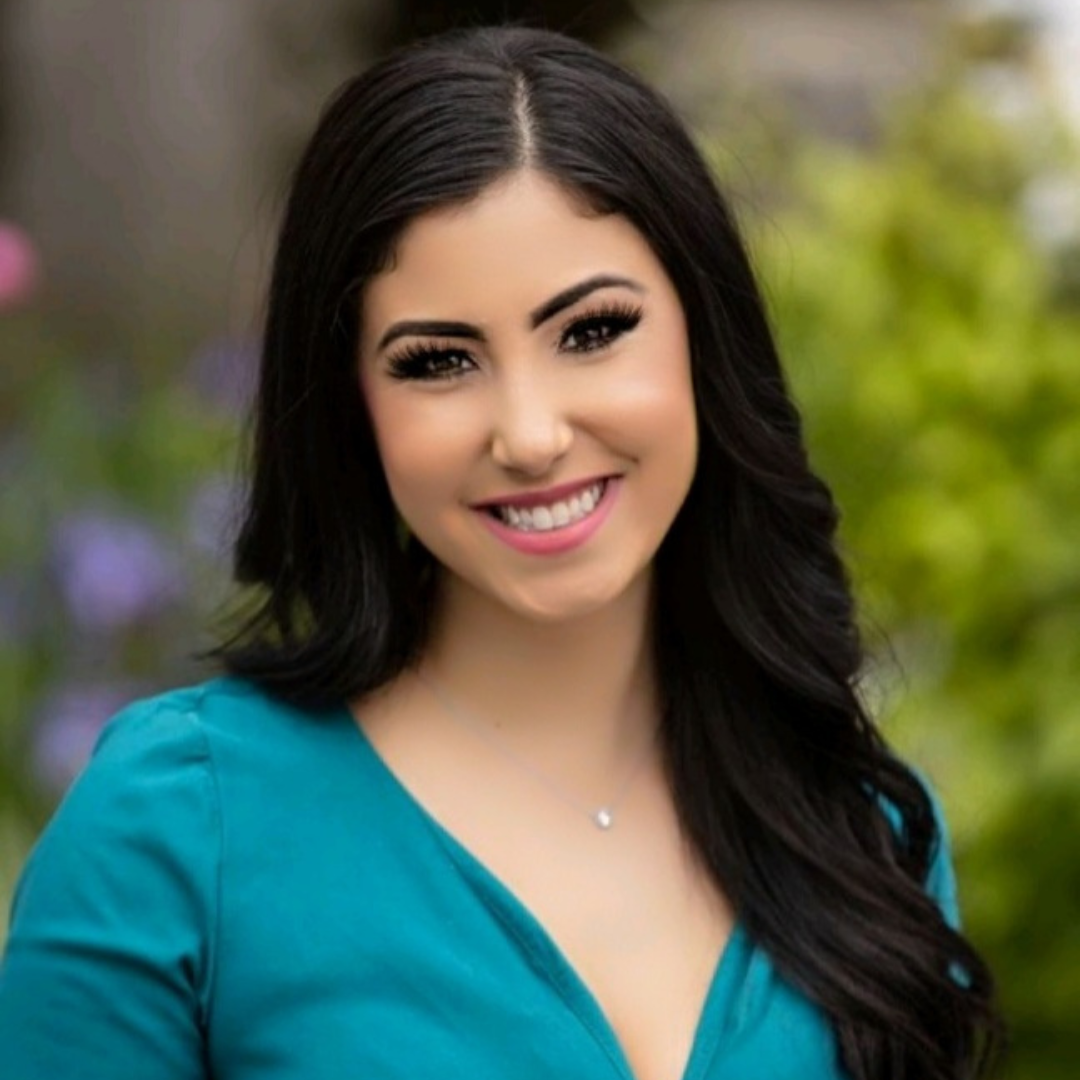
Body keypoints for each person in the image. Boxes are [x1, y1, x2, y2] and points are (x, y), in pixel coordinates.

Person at [0, 23, 999, 1080]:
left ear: (705, 342)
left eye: (591, 331)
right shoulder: (173, 832)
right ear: (352, 407)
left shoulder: (868, 832)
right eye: (438, 360)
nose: (529, 434)